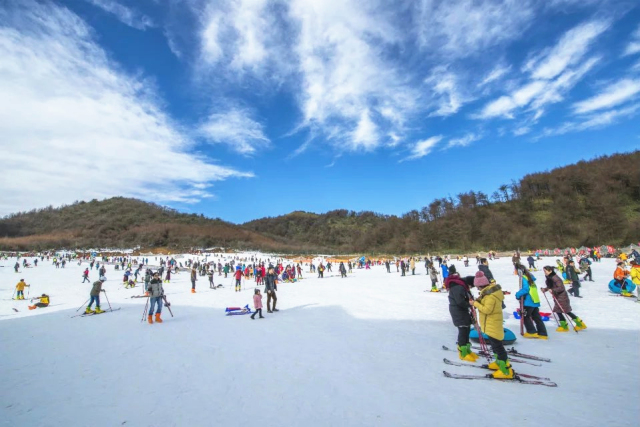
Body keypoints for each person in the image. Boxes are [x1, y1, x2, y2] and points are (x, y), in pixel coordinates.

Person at [472, 276, 513, 379]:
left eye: (478, 287)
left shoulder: (490, 296)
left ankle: (506, 370)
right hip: (490, 324)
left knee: (498, 347)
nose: (477, 289)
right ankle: (499, 362)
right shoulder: (487, 294)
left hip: (493, 324)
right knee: (494, 346)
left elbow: (487, 310)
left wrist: (475, 303)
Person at [445, 265, 478, 362]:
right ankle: (462, 351)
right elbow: (460, 301)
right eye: (472, 286)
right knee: (463, 330)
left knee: (467, 329)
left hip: (462, 311)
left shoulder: (461, 286)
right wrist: (469, 303)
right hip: (458, 311)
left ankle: (467, 349)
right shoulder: (458, 287)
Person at [542, 266, 586, 332]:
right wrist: (545, 289)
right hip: (558, 297)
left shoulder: (555, 278)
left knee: (565, 311)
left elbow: (561, 288)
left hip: (562, 297)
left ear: (550, 271)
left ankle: (578, 324)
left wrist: (553, 290)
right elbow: (550, 286)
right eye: (544, 271)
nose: (544, 272)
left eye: (546, 271)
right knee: (559, 311)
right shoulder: (550, 278)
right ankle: (565, 326)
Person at [514, 266, 548, 339]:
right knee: (536, 317)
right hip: (534, 300)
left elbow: (526, 289)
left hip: (528, 300)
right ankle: (542, 333)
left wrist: (517, 294)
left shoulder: (524, 278)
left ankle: (531, 331)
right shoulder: (529, 278)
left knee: (525, 316)